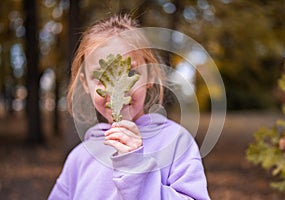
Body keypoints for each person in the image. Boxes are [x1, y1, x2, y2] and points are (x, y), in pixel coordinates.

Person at [49, 14, 210, 200]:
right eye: (102, 77)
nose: (119, 88)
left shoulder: (176, 142)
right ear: (86, 84)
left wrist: (136, 169)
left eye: (131, 72)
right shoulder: (79, 158)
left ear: (149, 75)